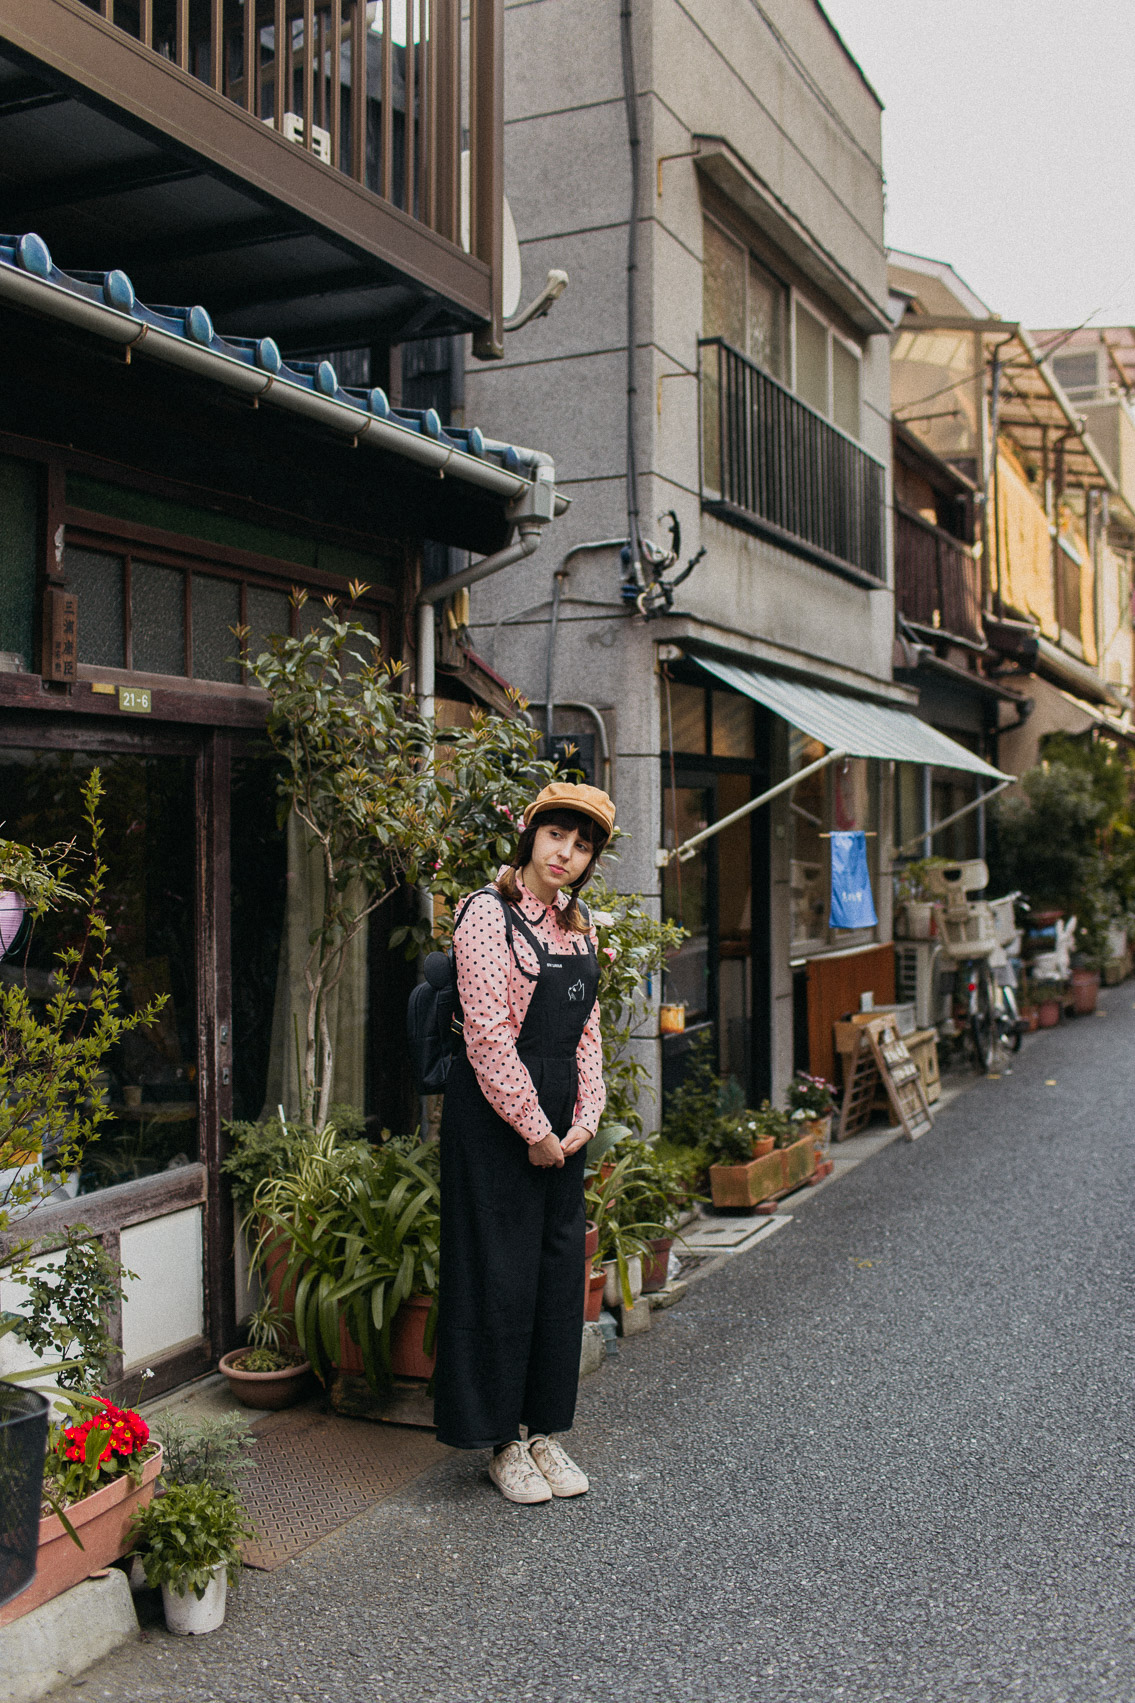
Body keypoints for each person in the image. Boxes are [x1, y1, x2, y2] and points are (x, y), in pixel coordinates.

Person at [433, 780, 615, 1504]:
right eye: (555, 836)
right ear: (531, 836)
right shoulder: (486, 914)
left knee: (553, 1275)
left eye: (581, 843)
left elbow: (589, 1031)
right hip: (496, 1123)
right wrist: (535, 1130)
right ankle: (501, 1442)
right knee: (495, 1277)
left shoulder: (581, 925)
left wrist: (585, 1114)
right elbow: (485, 1035)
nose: (565, 853)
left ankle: (545, 1430)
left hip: (563, 1125)